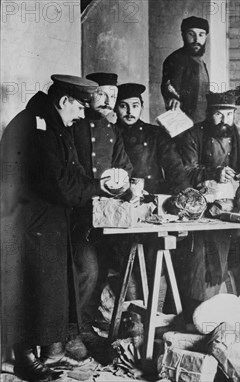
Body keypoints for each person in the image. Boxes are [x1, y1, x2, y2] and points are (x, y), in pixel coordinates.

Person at [0, 75, 119, 381]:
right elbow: (59, 184)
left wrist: (99, 185)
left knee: (49, 288)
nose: (82, 114)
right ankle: (23, 357)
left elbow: (74, 171)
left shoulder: (55, 124)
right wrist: (95, 187)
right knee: (28, 288)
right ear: (65, 101)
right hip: (25, 222)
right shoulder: (34, 126)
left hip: (47, 220)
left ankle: (50, 355)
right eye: (80, 107)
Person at [177, 90, 240, 316]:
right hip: (198, 208)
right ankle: (191, 313)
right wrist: (213, 173)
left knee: (230, 261)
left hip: (231, 208)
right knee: (198, 262)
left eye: (228, 115)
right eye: (218, 115)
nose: (224, 120)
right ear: (208, 113)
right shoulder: (193, 135)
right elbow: (184, 171)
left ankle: (223, 311)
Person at [71, 72, 133, 330]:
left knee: (103, 269)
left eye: (113, 96)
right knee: (87, 271)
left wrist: (124, 184)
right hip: (77, 213)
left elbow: (124, 166)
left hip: (105, 214)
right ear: (90, 95)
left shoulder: (112, 130)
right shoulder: (72, 126)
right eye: (102, 94)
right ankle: (74, 330)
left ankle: (90, 325)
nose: (109, 101)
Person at [115, 83, 185, 195]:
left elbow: (175, 170)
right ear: (115, 108)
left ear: (141, 108)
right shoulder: (110, 133)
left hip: (151, 195)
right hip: (117, 196)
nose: (130, 112)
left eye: (135, 106)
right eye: (123, 106)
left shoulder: (156, 133)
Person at [161, 16, 211, 123]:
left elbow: (202, 94)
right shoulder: (176, 59)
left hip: (202, 123)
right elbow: (169, 87)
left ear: (206, 37)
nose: (197, 40)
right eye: (191, 34)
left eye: (201, 35)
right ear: (183, 35)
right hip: (184, 124)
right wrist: (172, 98)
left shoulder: (201, 62)